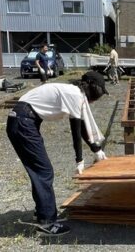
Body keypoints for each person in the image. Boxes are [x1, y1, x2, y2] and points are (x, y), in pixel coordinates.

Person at [6, 71, 109, 236]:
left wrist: (96, 149)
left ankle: (42, 212)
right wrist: (79, 160)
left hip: (22, 119)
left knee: (39, 170)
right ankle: (47, 222)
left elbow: (82, 127)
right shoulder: (74, 95)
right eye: (98, 94)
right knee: (43, 171)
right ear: (91, 87)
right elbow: (75, 131)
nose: (96, 99)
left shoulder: (72, 92)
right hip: (23, 121)